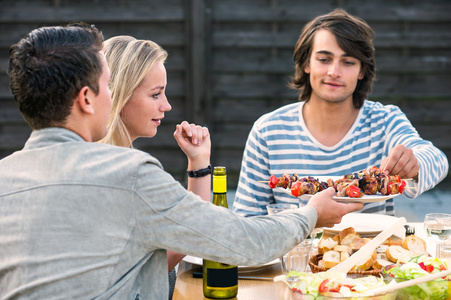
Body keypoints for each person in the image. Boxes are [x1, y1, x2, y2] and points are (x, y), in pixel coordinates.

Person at [1, 22, 363, 298]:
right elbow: (244, 242)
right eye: (109, 86)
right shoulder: (129, 175)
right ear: (86, 99)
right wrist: (311, 213)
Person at [232, 8, 449, 217]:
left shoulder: (385, 121)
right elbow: (247, 218)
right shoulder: (268, 131)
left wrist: (415, 164)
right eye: (324, 59)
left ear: (362, 71)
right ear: (307, 63)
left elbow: (437, 161)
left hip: (373, 253)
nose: (334, 72)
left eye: (348, 62)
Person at [99, 35, 211, 298]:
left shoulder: (111, 158)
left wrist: (198, 161)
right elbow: (188, 235)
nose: (167, 105)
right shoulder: (125, 173)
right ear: (120, 94)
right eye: (156, 94)